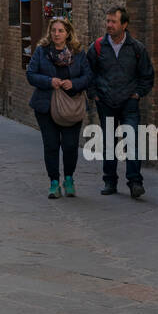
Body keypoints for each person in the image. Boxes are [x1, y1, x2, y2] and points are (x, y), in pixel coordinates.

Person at [87, 6, 155, 199]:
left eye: (113, 21)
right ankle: (110, 181)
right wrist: (94, 94)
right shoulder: (98, 47)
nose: (109, 25)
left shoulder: (136, 48)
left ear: (124, 25)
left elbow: (147, 75)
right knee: (109, 143)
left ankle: (135, 182)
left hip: (129, 103)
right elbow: (88, 72)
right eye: (108, 21)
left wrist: (137, 94)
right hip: (105, 102)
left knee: (132, 141)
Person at [26, 16, 93, 199]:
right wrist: (49, 81)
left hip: (71, 107)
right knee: (51, 145)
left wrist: (74, 83)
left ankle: (69, 179)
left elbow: (88, 76)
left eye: (60, 31)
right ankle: (54, 182)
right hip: (46, 106)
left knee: (71, 146)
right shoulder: (41, 52)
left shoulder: (78, 53)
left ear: (68, 33)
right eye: (54, 31)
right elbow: (30, 74)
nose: (57, 34)